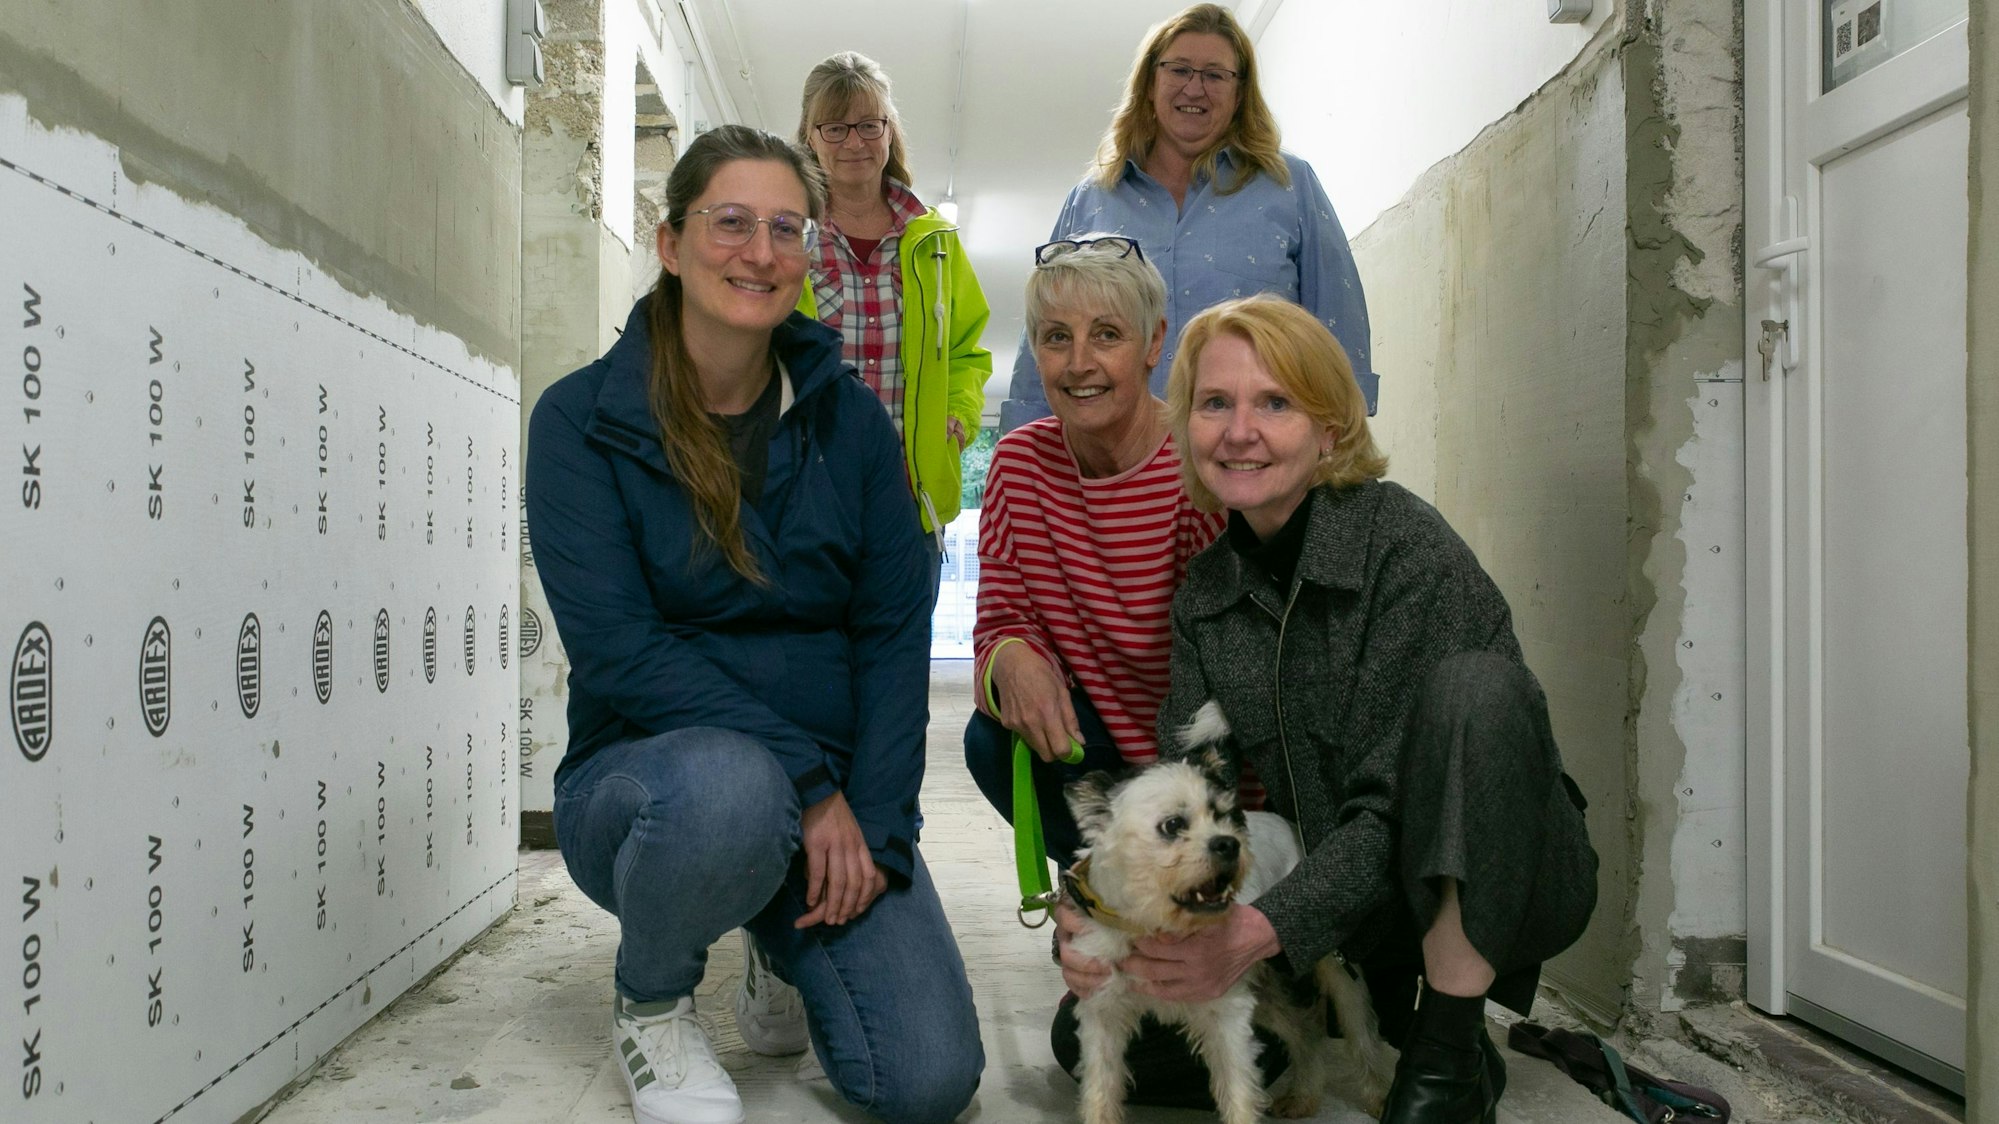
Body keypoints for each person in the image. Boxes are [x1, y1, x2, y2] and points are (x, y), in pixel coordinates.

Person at [525, 124, 982, 1124]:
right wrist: (810, 784)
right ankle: (651, 998)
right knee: (736, 787)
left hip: (827, 795)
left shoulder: (849, 421)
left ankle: (780, 946)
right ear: (672, 243)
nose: (761, 251)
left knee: (927, 1079)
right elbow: (619, 650)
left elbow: (893, 629)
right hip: (654, 790)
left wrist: (876, 819)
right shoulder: (580, 423)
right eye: (730, 222)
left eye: (786, 229)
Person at [1053, 295, 1598, 1123]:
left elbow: (1387, 813)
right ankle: (1378, 1012)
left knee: (1479, 691)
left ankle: (1450, 1047)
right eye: (1214, 403)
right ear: (1187, 430)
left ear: (1330, 430)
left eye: (1274, 402)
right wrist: (1095, 902)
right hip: (1346, 902)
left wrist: (1257, 931)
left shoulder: (1405, 550)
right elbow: (1178, 784)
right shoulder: (1206, 594)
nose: (1239, 431)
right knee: (1095, 1034)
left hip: (1485, 875)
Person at [961, 234, 1229, 870]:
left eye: (1107, 334)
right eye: (1056, 338)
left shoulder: (1201, 464)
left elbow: (1232, 674)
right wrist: (1011, 658)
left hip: (1201, 748)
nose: (1079, 362)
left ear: (1153, 344)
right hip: (1096, 746)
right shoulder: (1020, 463)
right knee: (988, 739)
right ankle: (1099, 885)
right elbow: (1001, 620)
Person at [1000, 3, 1375, 433]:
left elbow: (1337, 332)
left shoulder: (1290, 187)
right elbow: (1047, 330)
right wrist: (1026, 437)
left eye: (1215, 75)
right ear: (1149, 84)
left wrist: (1338, 447)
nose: (1194, 89)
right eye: (1179, 70)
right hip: (1114, 464)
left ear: (1239, 96)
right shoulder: (1091, 199)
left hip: (1250, 454)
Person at [795, 52, 992, 591]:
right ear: (809, 136)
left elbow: (967, 351)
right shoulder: (788, 236)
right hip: (807, 499)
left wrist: (959, 414)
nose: (854, 142)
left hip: (910, 502)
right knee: (809, 665)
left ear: (889, 131)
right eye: (835, 127)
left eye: (868, 124)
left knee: (898, 666)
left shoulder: (936, 244)